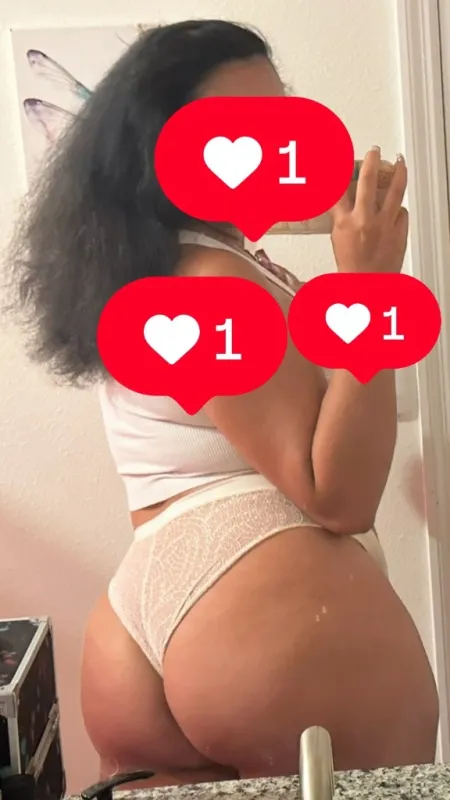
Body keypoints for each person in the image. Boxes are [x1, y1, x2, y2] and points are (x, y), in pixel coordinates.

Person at [8, 18, 439, 788]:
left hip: (160, 616)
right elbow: (337, 495)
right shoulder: (209, 283)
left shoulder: (173, 263)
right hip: (264, 616)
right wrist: (369, 285)